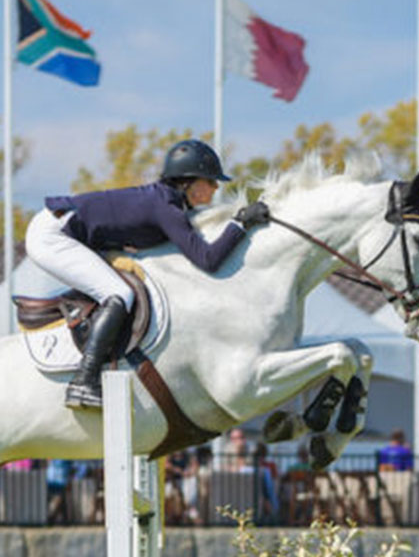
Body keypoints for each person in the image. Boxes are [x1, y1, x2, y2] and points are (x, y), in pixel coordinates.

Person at [27, 139, 271, 408]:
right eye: (210, 181)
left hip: (64, 229)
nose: (215, 187)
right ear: (188, 181)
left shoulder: (165, 202)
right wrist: (240, 224)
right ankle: (84, 381)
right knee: (119, 293)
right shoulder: (165, 207)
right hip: (52, 235)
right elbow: (208, 259)